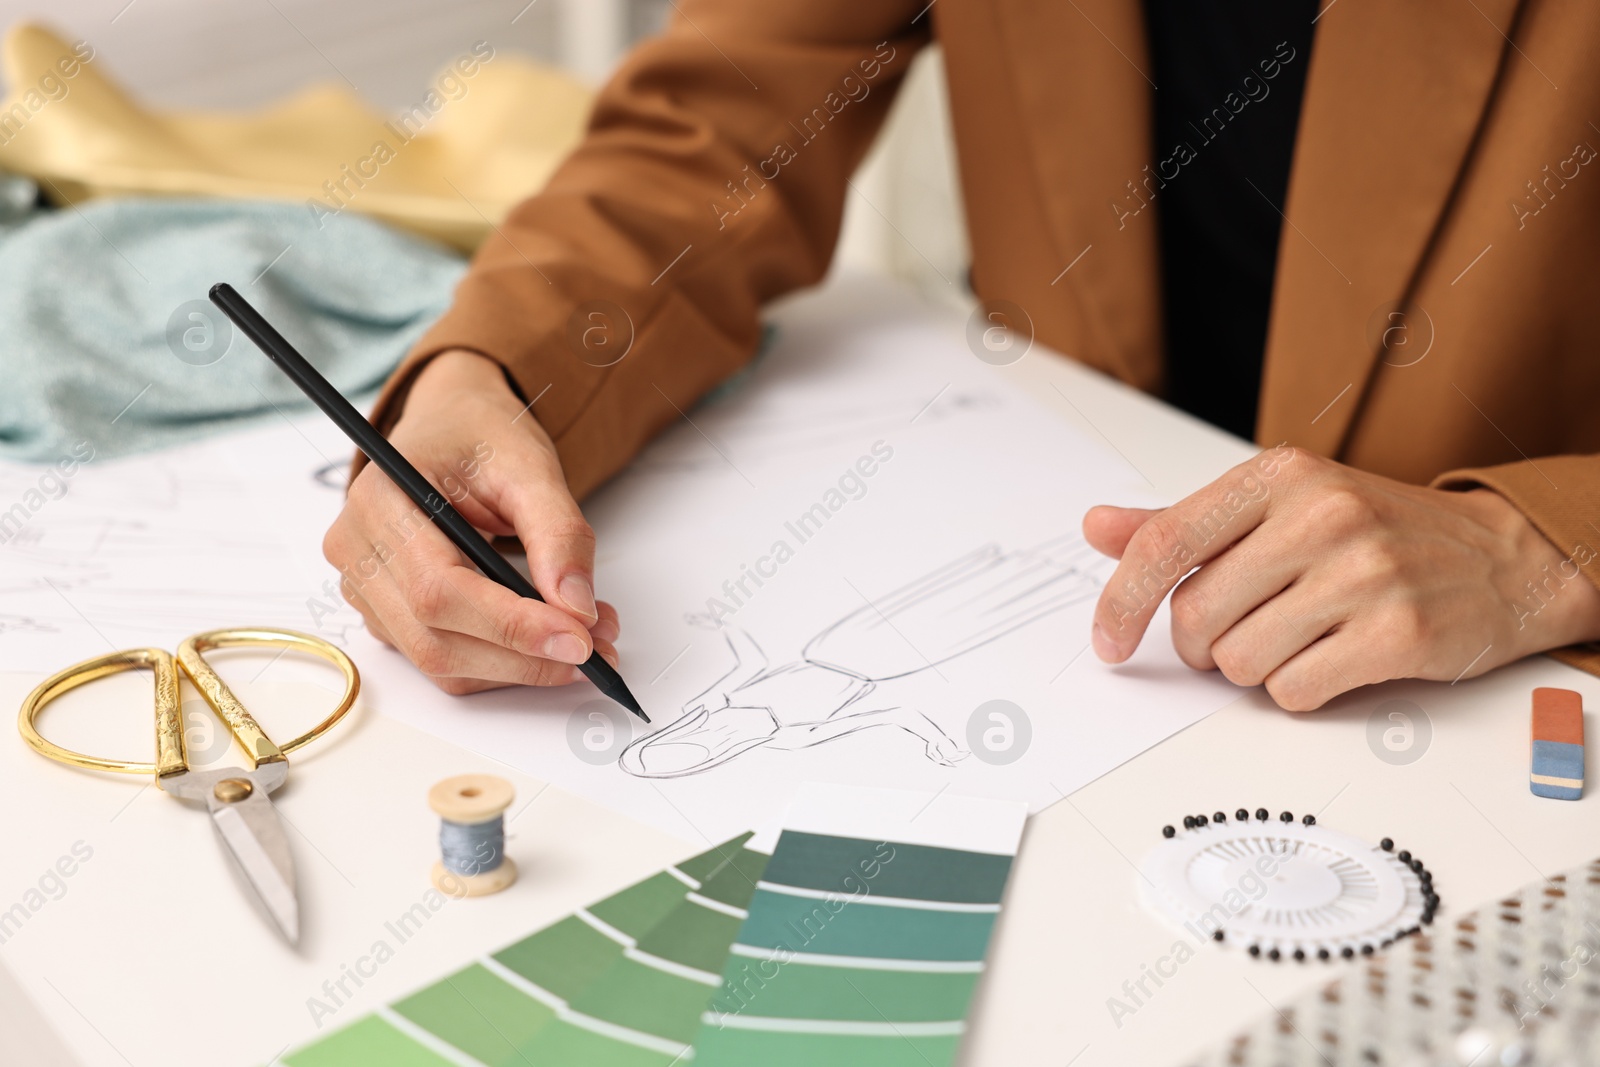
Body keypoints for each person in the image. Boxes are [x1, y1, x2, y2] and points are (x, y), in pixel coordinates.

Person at [322, 0, 1600, 711]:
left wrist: (1534, 546)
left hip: (1494, 711)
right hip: (1104, 648)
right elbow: (721, 122)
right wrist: (489, 370)